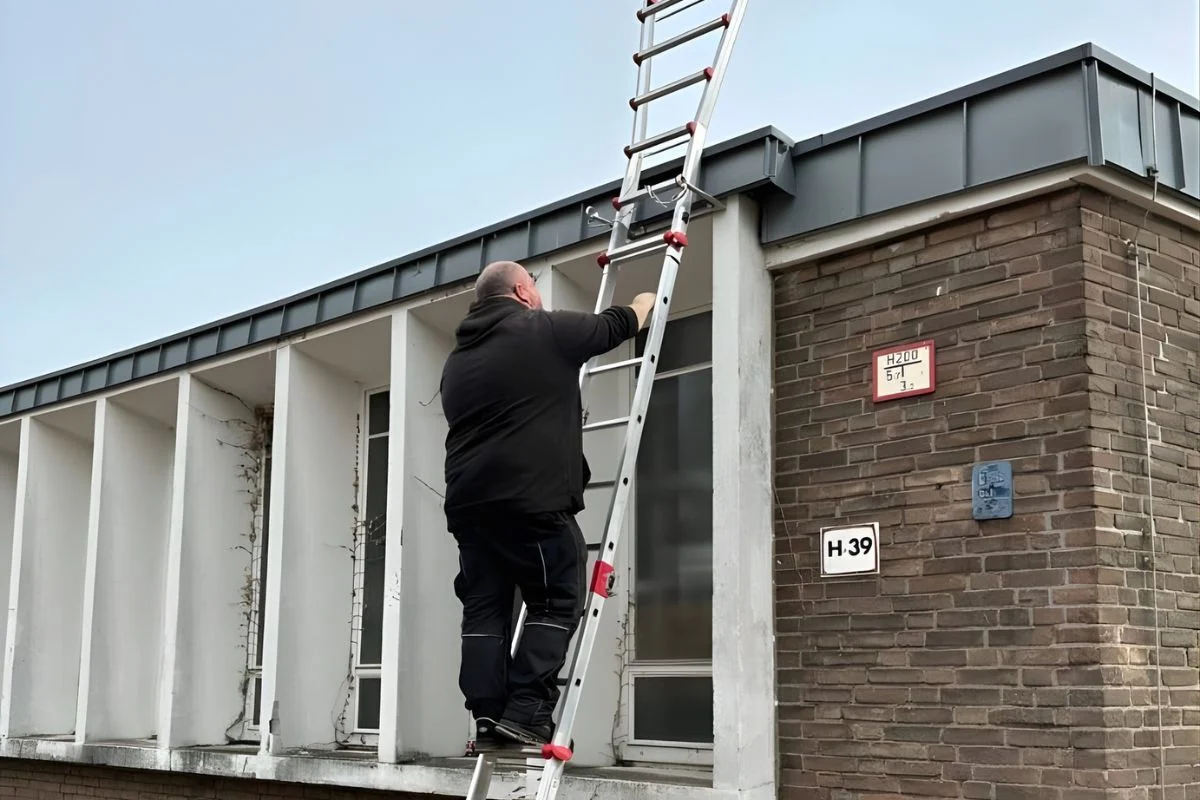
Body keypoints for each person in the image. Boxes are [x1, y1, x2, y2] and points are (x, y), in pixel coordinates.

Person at [440, 260, 655, 748]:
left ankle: (487, 717)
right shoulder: (541, 329)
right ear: (521, 291)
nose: (537, 293)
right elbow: (615, 325)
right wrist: (646, 301)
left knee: (484, 610)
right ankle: (528, 711)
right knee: (555, 598)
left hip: (470, 509)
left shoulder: (457, 362)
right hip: (531, 502)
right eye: (533, 285)